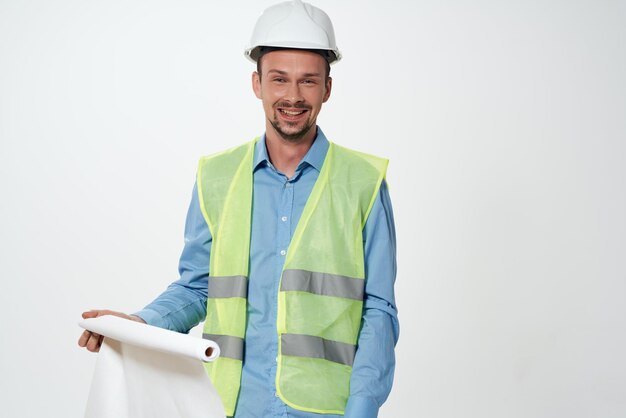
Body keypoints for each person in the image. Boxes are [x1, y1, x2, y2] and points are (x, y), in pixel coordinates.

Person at [78, 1, 398, 417]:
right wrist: (139, 326)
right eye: (279, 79)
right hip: (229, 406)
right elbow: (198, 287)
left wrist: (363, 408)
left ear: (327, 89)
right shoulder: (217, 176)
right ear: (257, 83)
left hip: (327, 410)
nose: (293, 96)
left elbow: (379, 309)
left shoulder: (364, 181)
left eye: (308, 81)